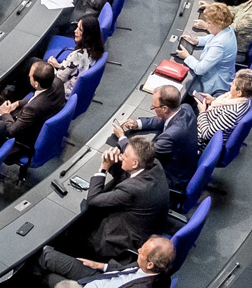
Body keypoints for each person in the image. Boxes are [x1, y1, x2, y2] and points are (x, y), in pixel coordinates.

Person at [33, 136, 170, 282]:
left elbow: (93, 200)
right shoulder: (153, 164)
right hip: (142, 228)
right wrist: (115, 163)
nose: (122, 156)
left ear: (135, 163)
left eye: (125, 155)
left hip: (119, 241)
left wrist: (103, 168)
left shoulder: (133, 189)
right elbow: (128, 177)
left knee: (77, 223)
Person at [111, 84, 198, 189]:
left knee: (122, 167)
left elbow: (140, 155)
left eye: (155, 106)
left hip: (172, 177)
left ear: (165, 108)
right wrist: (137, 124)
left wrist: (121, 137)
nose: (152, 108)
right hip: (186, 165)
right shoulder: (186, 108)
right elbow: (162, 120)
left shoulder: (170, 136)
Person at [45, 236, 176, 288]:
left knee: (48, 278)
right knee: (48, 257)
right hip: (98, 276)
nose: (139, 250)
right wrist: (101, 266)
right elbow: (125, 272)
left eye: (142, 252)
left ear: (150, 264)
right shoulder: (152, 269)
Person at [178, 2, 238, 95]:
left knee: (186, 87)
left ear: (218, 24)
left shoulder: (219, 45)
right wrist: (197, 40)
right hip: (222, 74)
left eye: (209, 23)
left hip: (216, 84)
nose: (207, 25)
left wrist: (187, 57)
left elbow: (200, 69)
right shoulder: (227, 27)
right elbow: (213, 37)